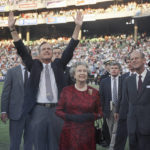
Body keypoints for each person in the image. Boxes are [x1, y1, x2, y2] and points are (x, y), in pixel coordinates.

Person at [7, 11, 83, 150]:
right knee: (39, 144)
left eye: (49, 49)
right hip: (38, 110)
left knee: (56, 144)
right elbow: (21, 49)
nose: (47, 51)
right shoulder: (34, 65)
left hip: (57, 110)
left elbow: (70, 47)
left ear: (52, 52)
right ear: (39, 53)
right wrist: (12, 29)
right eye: (44, 49)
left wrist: (77, 27)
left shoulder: (59, 64)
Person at [55, 61, 103, 150]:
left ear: (87, 74)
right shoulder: (66, 91)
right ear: (74, 74)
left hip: (88, 133)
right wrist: (70, 117)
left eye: (84, 71)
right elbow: (58, 110)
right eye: (79, 71)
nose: (82, 73)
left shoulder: (94, 92)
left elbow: (100, 112)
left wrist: (91, 116)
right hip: (69, 132)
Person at [121, 51, 150, 150]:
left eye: (136, 58)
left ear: (144, 60)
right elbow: (126, 103)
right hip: (132, 128)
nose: (134, 60)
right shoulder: (128, 80)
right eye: (132, 59)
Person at [0, 60, 32, 150]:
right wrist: (3, 110)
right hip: (16, 113)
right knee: (15, 143)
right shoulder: (11, 71)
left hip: (31, 114)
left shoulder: (35, 70)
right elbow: (6, 93)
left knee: (29, 143)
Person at [99, 62, 122, 150]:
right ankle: (116, 145)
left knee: (115, 129)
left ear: (119, 70)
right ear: (109, 70)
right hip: (108, 108)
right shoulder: (104, 81)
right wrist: (102, 110)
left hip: (119, 107)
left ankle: (112, 147)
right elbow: (101, 96)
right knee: (111, 129)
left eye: (116, 68)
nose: (113, 70)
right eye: (112, 68)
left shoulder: (123, 80)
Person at [114, 55, 135, 150]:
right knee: (120, 137)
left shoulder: (144, 76)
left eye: (131, 61)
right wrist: (117, 110)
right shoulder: (123, 77)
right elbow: (120, 95)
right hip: (123, 112)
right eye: (127, 62)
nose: (129, 63)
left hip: (138, 113)